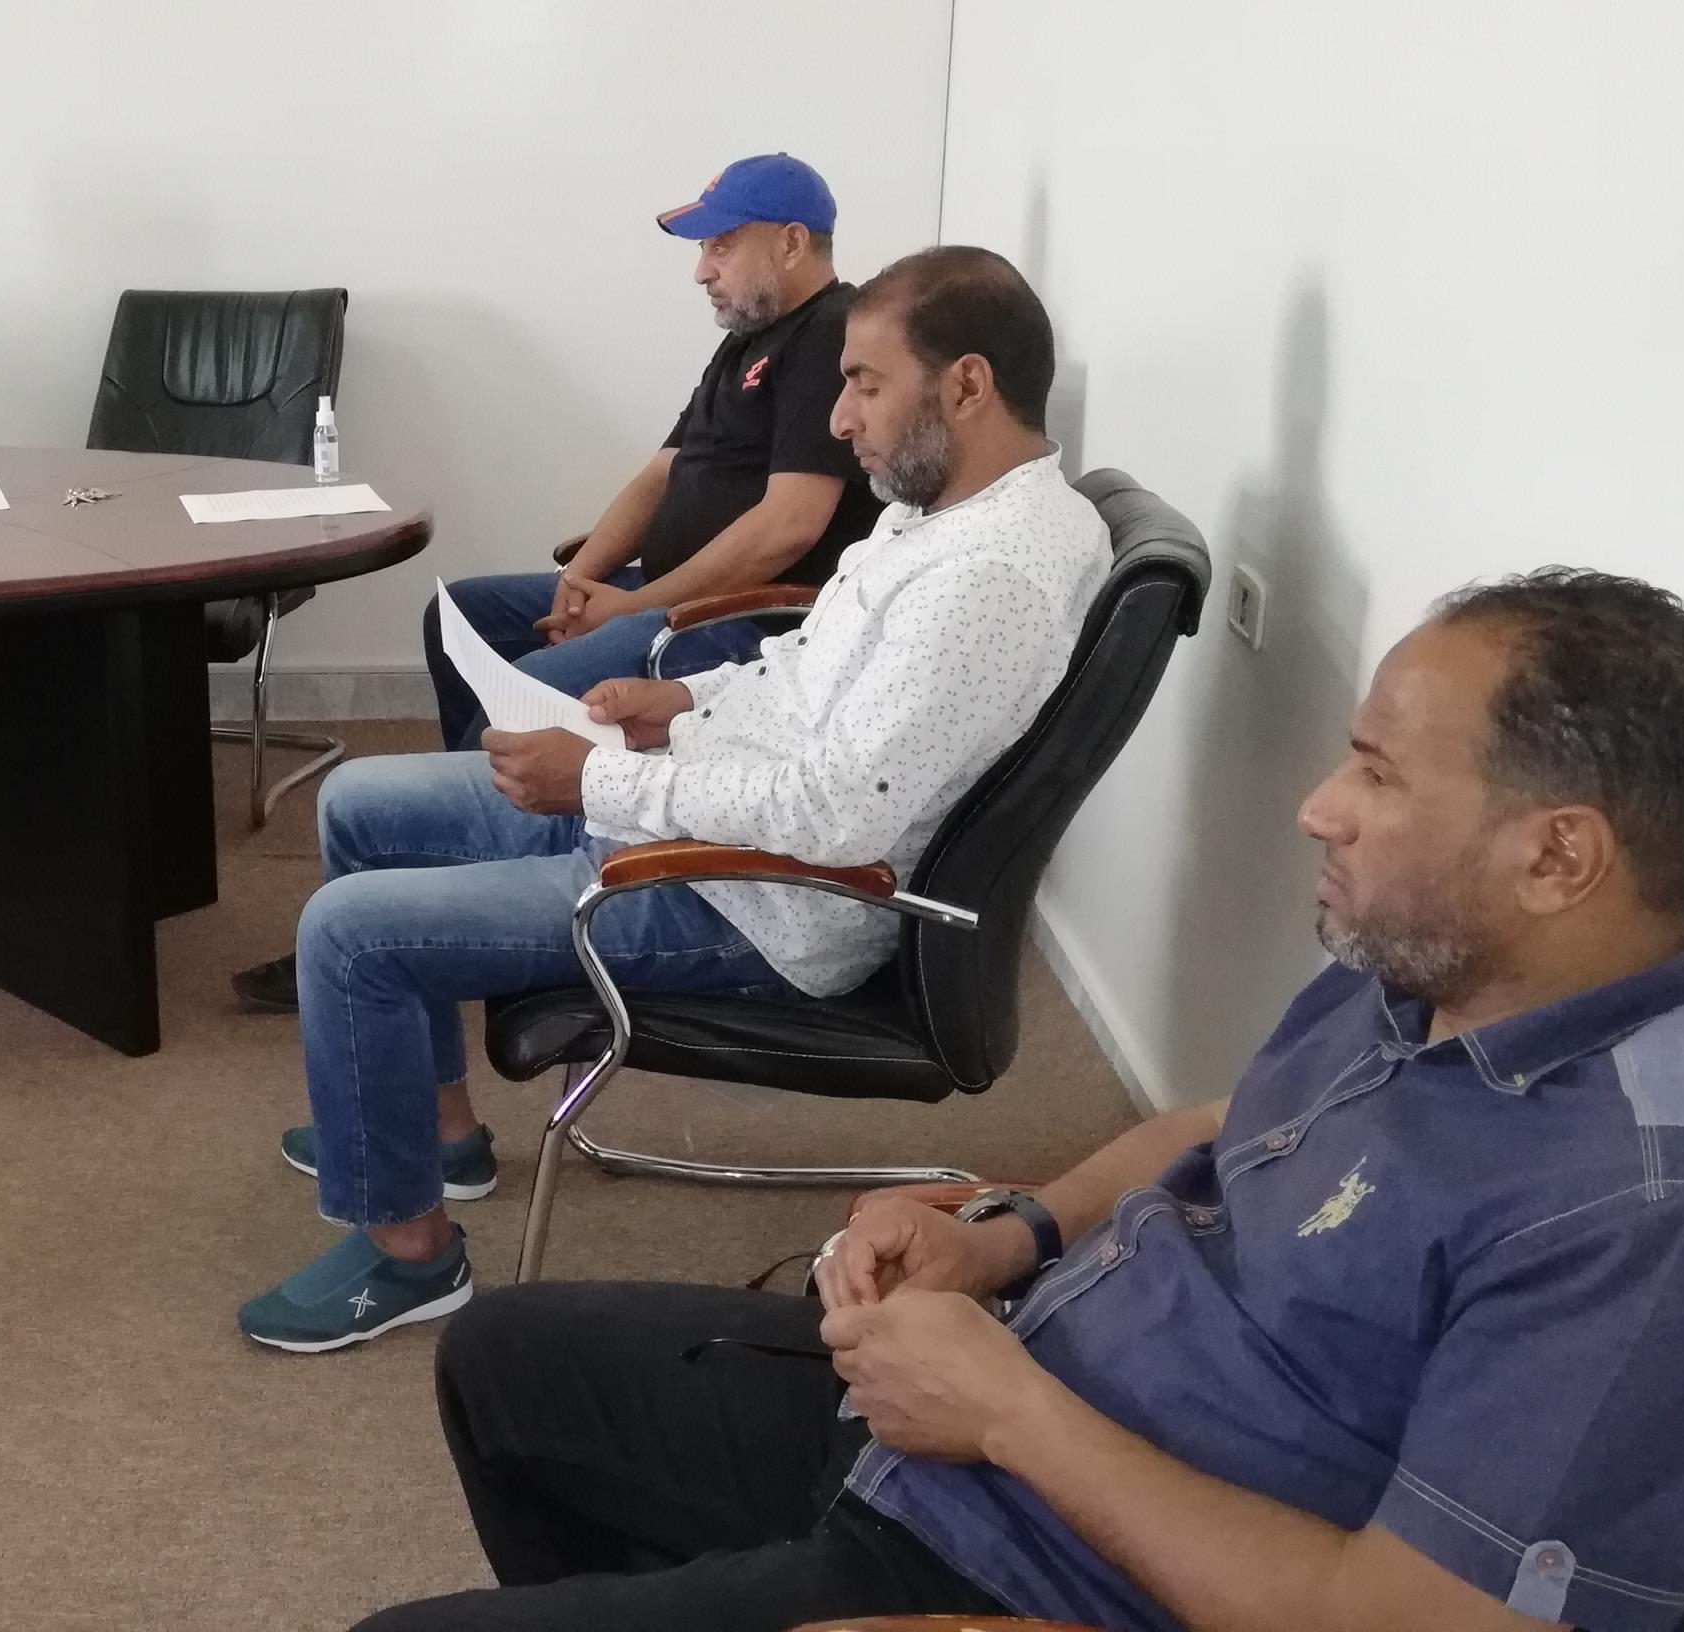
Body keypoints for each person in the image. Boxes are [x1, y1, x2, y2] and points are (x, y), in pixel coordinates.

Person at [369, 570, 1684, 1632]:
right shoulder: (1451, 969)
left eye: (1378, 776)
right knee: (504, 1362)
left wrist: (1006, 1414)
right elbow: (1220, 1128)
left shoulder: (1665, 1205)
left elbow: (1422, 1620)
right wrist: (1005, 1237)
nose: (1318, 807)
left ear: (1558, 857)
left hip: (1053, 1572)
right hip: (1012, 1403)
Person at [236, 248, 1106, 1353]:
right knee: (360, 804)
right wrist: (681, 699)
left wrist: (597, 776)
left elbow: (837, 816)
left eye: (866, 385)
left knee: (349, 933)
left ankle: (409, 1259)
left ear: (968, 384)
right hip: (711, 809)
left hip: (759, 898)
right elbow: (804, 672)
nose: (840, 419)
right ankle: (434, 1137)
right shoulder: (941, 511)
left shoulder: (988, 579)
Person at [415, 153, 884, 757]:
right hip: (664, 593)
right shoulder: (747, 340)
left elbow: (788, 527)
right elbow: (661, 474)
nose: (701, 272)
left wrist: (631, 608)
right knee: (455, 615)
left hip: (739, 619)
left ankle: (470, 795)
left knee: (523, 694)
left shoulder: (829, 336)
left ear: (791, 243)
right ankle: (470, 784)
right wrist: (579, 581)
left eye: (721, 247)